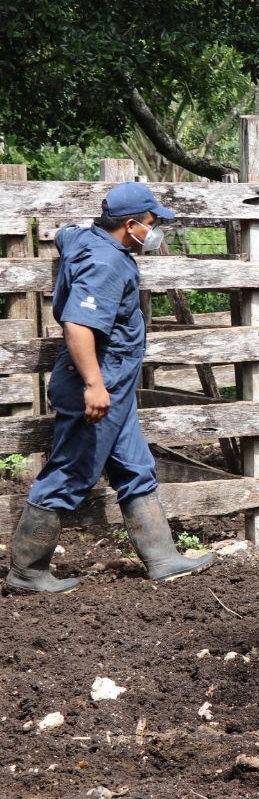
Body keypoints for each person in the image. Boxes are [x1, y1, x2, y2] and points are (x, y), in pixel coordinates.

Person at [6, 183, 214, 594]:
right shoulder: (106, 263)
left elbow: (66, 231)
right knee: (70, 472)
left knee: (135, 468)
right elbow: (78, 326)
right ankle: (27, 572)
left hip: (113, 385)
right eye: (151, 224)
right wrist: (95, 386)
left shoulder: (85, 239)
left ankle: (162, 557)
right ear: (130, 225)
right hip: (97, 383)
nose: (155, 233)